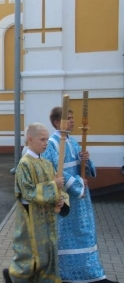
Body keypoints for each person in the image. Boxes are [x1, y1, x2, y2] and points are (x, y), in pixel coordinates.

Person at [43, 107, 117, 283]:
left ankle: (91, 273)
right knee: (67, 237)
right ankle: (66, 274)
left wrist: (85, 159)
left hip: (81, 199)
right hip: (67, 199)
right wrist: (77, 184)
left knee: (84, 234)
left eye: (72, 118)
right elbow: (53, 170)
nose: (73, 121)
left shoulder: (73, 141)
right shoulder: (52, 144)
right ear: (56, 122)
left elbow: (83, 167)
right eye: (68, 118)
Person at [3, 123, 69, 283]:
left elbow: (59, 189)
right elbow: (27, 191)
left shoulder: (46, 163)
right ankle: (14, 277)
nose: (46, 143)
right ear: (30, 139)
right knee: (31, 256)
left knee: (47, 252)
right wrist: (54, 187)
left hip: (47, 219)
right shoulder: (24, 163)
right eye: (42, 139)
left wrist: (61, 200)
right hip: (31, 219)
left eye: (47, 139)